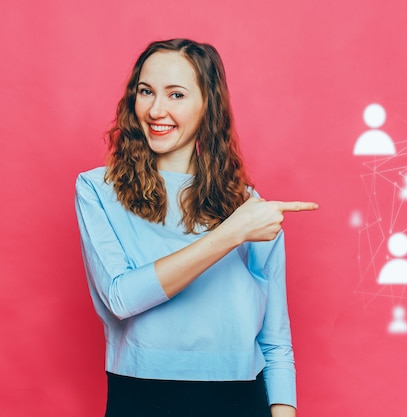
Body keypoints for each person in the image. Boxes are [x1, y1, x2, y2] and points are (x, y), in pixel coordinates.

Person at [75, 38, 317, 417]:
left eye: (176, 95)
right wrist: (229, 234)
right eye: (146, 91)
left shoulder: (250, 208)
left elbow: (275, 341)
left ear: (208, 106)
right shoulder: (96, 190)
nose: (156, 109)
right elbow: (121, 298)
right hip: (141, 397)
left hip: (240, 400)